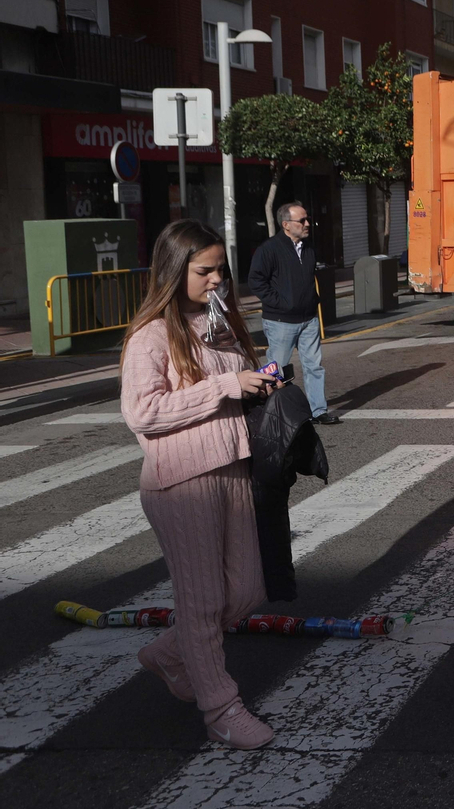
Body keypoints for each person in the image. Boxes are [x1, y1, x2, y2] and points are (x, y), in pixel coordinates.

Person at [121, 220, 283, 749]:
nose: (217, 280)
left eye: (221, 269)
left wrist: (258, 382)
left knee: (248, 592)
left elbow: (234, 384)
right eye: (204, 270)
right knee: (203, 601)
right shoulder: (149, 336)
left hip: (233, 467)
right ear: (175, 271)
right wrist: (224, 385)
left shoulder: (220, 324)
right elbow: (143, 413)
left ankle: (168, 655)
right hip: (180, 482)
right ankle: (221, 709)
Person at [248, 201, 337, 425]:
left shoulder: (308, 248)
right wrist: (281, 303)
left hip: (308, 319)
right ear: (286, 224)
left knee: (314, 366)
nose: (308, 224)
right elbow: (256, 281)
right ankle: (275, 413)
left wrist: (312, 302)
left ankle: (318, 411)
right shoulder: (269, 249)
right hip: (281, 321)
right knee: (276, 370)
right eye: (302, 221)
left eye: (308, 220)